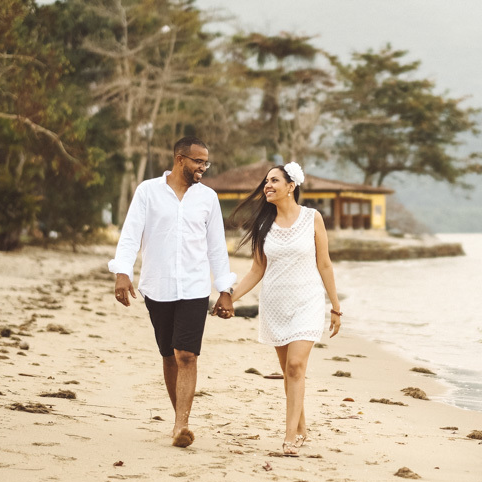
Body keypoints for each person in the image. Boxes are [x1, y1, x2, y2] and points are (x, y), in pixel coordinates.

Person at [109, 136, 236, 448]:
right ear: (180, 159)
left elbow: (217, 247)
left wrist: (225, 289)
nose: (203, 167)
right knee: (169, 355)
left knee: (187, 355)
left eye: (205, 162)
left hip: (194, 286)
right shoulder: (148, 191)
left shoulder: (208, 198)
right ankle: (177, 417)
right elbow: (130, 235)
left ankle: (182, 424)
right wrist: (122, 272)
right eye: (198, 161)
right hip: (157, 285)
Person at [219, 162, 341, 457]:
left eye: (274, 180)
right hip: (275, 304)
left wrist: (336, 307)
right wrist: (229, 297)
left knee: (296, 366)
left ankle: (289, 437)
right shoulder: (263, 225)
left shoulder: (312, 218)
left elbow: (324, 264)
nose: (267, 186)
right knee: (289, 372)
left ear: (291, 186)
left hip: (307, 301)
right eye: (266, 182)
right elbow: (256, 270)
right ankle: (301, 428)